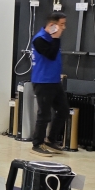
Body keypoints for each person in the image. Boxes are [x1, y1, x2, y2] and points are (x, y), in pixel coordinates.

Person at [30, 11, 69, 157]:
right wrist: (56, 38)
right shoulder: (39, 39)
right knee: (44, 114)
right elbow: (51, 55)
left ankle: (51, 140)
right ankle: (37, 144)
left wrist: (55, 38)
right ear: (52, 25)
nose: (64, 28)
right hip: (43, 81)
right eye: (61, 24)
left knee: (63, 110)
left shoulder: (51, 38)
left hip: (54, 81)